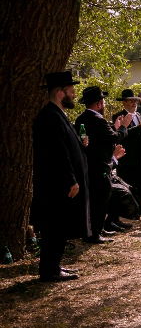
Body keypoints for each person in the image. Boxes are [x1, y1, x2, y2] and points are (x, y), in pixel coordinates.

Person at [32, 71, 89, 282]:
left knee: (58, 227)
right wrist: (70, 179)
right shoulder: (49, 117)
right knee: (54, 227)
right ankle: (49, 270)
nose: (74, 95)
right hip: (55, 185)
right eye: (71, 91)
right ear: (59, 92)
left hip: (59, 184)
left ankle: (53, 266)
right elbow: (56, 153)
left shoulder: (57, 114)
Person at [74, 86, 127, 242]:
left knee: (96, 199)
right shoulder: (98, 119)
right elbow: (114, 138)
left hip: (87, 164)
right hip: (100, 165)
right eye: (102, 101)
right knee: (101, 198)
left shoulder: (80, 118)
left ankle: (98, 229)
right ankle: (95, 233)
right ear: (99, 104)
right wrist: (123, 127)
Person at [111, 88, 141, 210]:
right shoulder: (118, 116)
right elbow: (121, 136)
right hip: (128, 157)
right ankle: (131, 209)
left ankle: (140, 206)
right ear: (124, 102)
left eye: (135, 101)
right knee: (129, 183)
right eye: (131, 101)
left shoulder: (140, 115)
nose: (134, 103)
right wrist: (139, 128)